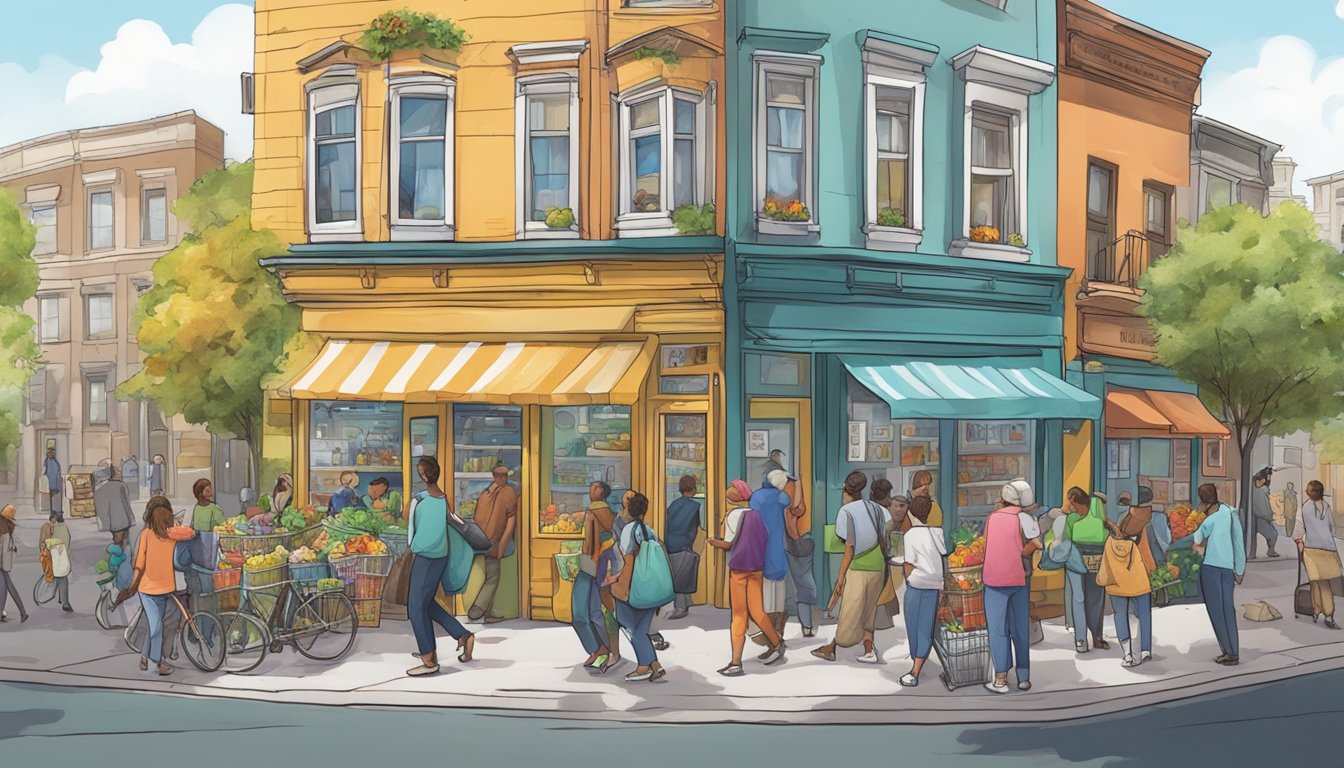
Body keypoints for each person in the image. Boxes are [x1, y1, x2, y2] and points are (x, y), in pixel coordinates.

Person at [404, 456, 475, 677]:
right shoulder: (444, 499)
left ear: (423, 475)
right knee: (426, 603)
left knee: (415, 608)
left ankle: (429, 660)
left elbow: (407, 519)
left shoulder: (419, 499)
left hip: (424, 557)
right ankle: (462, 635)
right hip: (440, 557)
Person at [812, 471, 891, 664]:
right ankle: (868, 649)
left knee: (850, 610)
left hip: (858, 566)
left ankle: (834, 647)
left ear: (846, 492)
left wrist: (841, 576)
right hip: (878, 565)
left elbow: (848, 545)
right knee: (868, 610)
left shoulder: (846, 511)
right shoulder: (877, 508)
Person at [708, 480, 785, 676]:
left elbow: (728, 544)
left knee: (739, 615)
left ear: (735, 497)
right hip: (756, 568)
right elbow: (764, 537)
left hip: (739, 570)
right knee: (758, 611)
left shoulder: (733, 515)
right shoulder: (755, 515)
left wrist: (713, 541)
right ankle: (777, 644)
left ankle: (735, 662)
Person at [983, 479, 1042, 694]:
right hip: (1019, 579)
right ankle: (1024, 677)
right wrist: (1021, 553)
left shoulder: (992, 518)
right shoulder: (1025, 517)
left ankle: (1000, 679)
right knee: (1020, 629)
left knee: (998, 630)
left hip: (994, 579)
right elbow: (1037, 543)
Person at [118, 496, 188, 676]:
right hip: (148, 591)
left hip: (167, 589)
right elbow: (139, 564)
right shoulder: (147, 535)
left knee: (154, 626)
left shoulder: (172, 535)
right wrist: (132, 587)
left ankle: (144, 658)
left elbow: (190, 533)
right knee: (156, 626)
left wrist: (175, 527)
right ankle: (157, 662)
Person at [605, 492, 669, 683]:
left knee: (627, 623)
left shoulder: (628, 531)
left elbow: (628, 562)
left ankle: (644, 667)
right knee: (641, 628)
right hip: (650, 586)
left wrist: (616, 582)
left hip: (633, 586)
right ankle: (654, 665)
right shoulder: (649, 530)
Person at [1191, 483, 1246, 666]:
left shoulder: (1209, 520)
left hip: (1211, 569)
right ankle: (1234, 652)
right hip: (1228, 569)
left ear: (1203, 502)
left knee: (1216, 611)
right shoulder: (1230, 513)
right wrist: (1239, 569)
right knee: (1228, 609)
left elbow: (1196, 539)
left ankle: (1227, 652)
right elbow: (1238, 542)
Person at [1104, 487, 1158, 667]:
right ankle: (1145, 649)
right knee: (1144, 612)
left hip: (1119, 575)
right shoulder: (1152, 520)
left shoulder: (1122, 519)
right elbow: (1158, 546)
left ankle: (1127, 653)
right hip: (1140, 573)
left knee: (1120, 613)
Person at [895, 496, 945, 687]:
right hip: (934, 585)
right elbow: (943, 552)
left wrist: (909, 578)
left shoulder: (910, 535)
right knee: (925, 627)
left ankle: (915, 670)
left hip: (917, 585)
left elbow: (908, 563)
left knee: (913, 626)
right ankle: (919, 662)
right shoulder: (937, 532)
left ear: (910, 513)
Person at [574, 481, 619, 673]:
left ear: (601, 491)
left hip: (590, 565)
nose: (590, 490)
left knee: (582, 612)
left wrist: (590, 557)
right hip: (600, 566)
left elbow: (591, 542)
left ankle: (600, 648)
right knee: (595, 611)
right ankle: (604, 649)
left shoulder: (594, 511)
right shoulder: (610, 513)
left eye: (594, 487)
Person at [468, 464, 518, 624]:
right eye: (502, 476)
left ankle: (488, 612)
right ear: (498, 476)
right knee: (493, 577)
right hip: (494, 541)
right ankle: (478, 608)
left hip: (481, 539)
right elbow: (510, 523)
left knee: (490, 574)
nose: (504, 478)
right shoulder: (509, 492)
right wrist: (501, 546)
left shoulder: (485, 493)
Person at [1065, 487, 1110, 652]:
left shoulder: (1072, 519)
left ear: (1074, 501)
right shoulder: (1096, 515)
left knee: (1087, 600)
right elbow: (1105, 535)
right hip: (1093, 561)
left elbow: (1066, 539)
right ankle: (1091, 638)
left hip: (1078, 562)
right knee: (1092, 599)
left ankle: (1085, 639)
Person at [750, 470, 792, 644]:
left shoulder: (757, 497)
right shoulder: (782, 497)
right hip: (778, 547)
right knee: (779, 588)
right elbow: (789, 500)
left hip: (762, 546)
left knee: (765, 590)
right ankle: (778, 629)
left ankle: (766, 632)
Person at [1295, 481, 1342, 629]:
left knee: (1317, 581)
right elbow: (1332, 528)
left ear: (1309, 493)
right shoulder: (1327, 507)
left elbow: (1298, 528)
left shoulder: (1304, 507)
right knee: (1323, 582)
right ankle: (1323, 612)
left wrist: (1299, 542)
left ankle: (1321, 612)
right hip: (1328, 549)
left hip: (1312, 548)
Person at [782, 469, 817, 638]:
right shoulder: (789, 505)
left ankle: (806, 625)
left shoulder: (781, 502)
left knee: (799, 586)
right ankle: (807, 625)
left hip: (793, 544)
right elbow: (796, 510)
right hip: (799, 542)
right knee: (804, 585)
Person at [664, 474, 702, 620]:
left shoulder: (673, 504)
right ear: (693, 489)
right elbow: (695, 526)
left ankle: (685, 603)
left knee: (676, 574)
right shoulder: (695, 506)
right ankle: (681, 606)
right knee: (682, 575)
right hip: (684, 543)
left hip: (670, 542)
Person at [39, 510, 73, 613]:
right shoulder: (63, 527)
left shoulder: (53, 528)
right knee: (63, 578)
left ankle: (63, 600)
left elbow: (46, 542)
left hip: (56, 556)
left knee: (60, 577)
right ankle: (64, 602)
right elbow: (68, 539)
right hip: (62, 556)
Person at [95, 463, 136, 546]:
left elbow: (100, 510)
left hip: (113, 521)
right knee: (121, 537)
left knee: (118, 539)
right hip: (123, 518)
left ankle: (119, 548)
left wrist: (104, 522)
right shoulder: (120, 484)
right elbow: (127, 500)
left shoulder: (98, 490)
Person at [0, 505, 28, 623]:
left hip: (1, 562)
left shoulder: (2, 526)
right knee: (5, 586)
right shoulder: (8, 526)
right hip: (4, 562)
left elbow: (3, 546)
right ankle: (21, 612)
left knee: (6, 586)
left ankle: (22, 612)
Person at [1249, 468, 1280, 559]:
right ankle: (1270, 551)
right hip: (1259, 517)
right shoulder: (1263, 489)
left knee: (1270, 534)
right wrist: (1270, 516)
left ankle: (1253, 553)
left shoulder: (1254, 487)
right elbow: (1265, 506)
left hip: (1256, 516)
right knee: (1272, 534)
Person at [42, 447, 62, 514]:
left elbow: (58, 471)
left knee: (55, 497)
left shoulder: (56, 462)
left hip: (55, 483)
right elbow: (44, 471)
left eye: (52, 453)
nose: (50, 454)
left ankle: (56, 511)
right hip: (49, 483)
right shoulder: (46, 462)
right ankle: (52, 512)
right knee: (50, 498)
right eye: (49, 453)